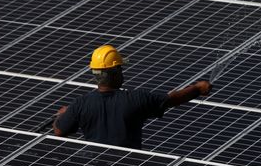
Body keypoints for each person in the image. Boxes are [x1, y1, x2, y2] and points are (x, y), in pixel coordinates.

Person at [53, 44, 213, 149]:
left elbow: (59, 131)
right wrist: (198, 89)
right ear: (115, 73)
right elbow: (173, 99)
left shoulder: (80, 104)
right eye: (121, 69)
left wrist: (62, 115)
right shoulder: (135, 99)